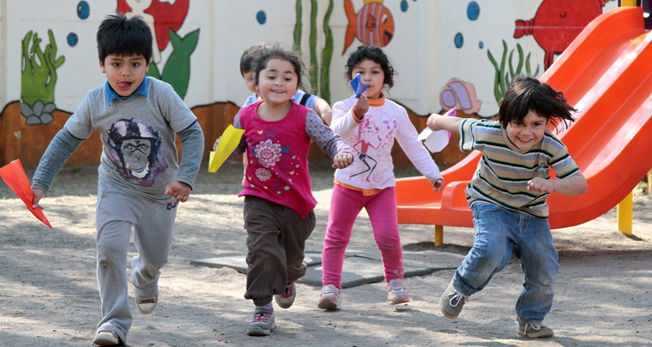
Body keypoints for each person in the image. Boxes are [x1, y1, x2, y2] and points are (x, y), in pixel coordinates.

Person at [30, 14, 204, 346]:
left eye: (135, 64)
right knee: (109, 249)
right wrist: (40, 183)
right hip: (116, 187)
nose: (126, 72)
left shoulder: (161, 94)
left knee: (157, 257)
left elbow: (193, 134)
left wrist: (185, 178)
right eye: (117, 63)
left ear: (148, 64)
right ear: (102, 64)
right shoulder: (95, 101)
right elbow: (66, 140)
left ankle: (146, 275)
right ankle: (113, 323)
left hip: (161, 192)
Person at [427, 76, 587, 338]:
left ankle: (531, 320)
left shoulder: (550, 146)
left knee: (545, 267)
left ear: (548, 122)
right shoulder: (489, 133)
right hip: (491, 202)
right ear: (505, 119)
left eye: (537, 124)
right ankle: (460, 288)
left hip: (532, 214)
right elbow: (457, 123)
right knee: (492, 250)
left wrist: (553, 186)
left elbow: (579, 183)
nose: (527, 132)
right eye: (518, 124)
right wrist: (434, 120)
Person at [215, 43, 353, 336]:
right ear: (256, 82)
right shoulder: (245, 116)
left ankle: (288, 278)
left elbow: (331, 141)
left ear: (296, 85)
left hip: (296, 204)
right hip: (258, 198)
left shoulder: (305, 116)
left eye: (288, 77)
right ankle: (263, 309)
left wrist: (342, 151)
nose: (279, 82)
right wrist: (221, 150)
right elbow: (234, 148)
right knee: (262, 251)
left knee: (290, 260)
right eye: (272, 76)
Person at [318, 46, 444, 311]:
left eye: (375, 72)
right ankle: (330, 288)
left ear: (385, 77)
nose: (367, 77)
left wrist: (433, 174)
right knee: (336, 237)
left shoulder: (396, 112)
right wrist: (356, 113)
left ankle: (396, 284)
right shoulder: (343, 107)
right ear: (351, 77)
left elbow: (413, 145)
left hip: (382, 188)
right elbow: (334, 133)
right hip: (347, 185)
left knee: (388, 237)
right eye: (360, 72)